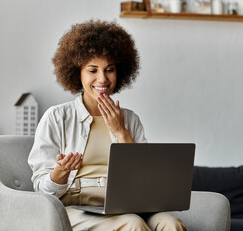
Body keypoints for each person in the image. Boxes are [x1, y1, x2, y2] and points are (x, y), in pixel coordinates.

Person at [28, 20, 188, 231]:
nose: (102, 79)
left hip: (124, 206)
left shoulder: (130, 119)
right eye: (92, 70)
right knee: (132, 224)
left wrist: (121, 132)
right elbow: (42, 192)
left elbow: (145, 184)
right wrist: (60, 172)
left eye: (109, 70)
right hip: (75, 206)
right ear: (78, 73)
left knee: (171, 223)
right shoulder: (57, 118)